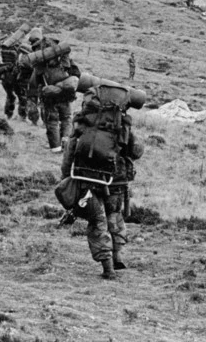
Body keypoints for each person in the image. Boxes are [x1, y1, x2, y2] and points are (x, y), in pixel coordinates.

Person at [62, 82, 145, 279]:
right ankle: (117, 257)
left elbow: (69, 153)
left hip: (86, 178)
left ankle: (107, 267)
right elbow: (136, 152)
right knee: (115, 217)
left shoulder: (83, 124)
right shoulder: (121, 125)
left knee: (97, 221)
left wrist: (66, 177)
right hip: (115, 181)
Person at [29, 31, 80, 152]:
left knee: (52, 120)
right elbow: (77, 73)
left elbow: (33, 82)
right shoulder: (64, 61)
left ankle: (55, 148)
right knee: (66, 118)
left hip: (50, 96)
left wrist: (34, 97)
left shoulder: (40, 65)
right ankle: (65, 142)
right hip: (66, 94)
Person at [0, 38, 32, 119]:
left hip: (5, 77)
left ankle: (8, 114)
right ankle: (22, 116)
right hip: (15, 78)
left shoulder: (4, 52)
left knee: (10, 96)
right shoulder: (20, 52)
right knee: (22, 96)